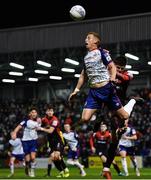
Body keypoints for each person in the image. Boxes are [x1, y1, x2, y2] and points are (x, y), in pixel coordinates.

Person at [68, 32, 143, 179]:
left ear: (96, 42)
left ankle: (133, 101)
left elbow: (115, 69)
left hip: (111, 96)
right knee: (84, 119)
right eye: (86, 38)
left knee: (124, 120)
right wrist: (76, 90)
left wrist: (113, 77)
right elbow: (84, 74)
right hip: (96, 94)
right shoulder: (88, 57)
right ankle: (107, 167)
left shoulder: (121, 69)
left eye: (88, 38)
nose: (85, 40)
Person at [39, 105, 69, 178]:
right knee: (52, 157)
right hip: (51, 141)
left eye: (51, 111)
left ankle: (66, 169)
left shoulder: (55, 120)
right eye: (48, 111)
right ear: (46, 112)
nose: (50, 112)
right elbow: (40, 124)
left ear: (53, 112)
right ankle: (61, 171)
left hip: (58, 140)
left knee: (56, 156)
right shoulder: (44, 119)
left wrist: (41, 129)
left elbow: (50, 131)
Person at [13, 108, 41, 177]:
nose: (34, 113)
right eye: (32, 112)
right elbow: (18, 127)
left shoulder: (39, 121)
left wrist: (40, 123)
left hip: (33, 141)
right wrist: (14, 133)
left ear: (36, 114)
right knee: (27, 160)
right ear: (30, 114)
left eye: (35, 112)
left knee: (33, 157)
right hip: (25, 142)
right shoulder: (25, 121)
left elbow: (41, 127)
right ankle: (27, 169)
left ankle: (32, 171)